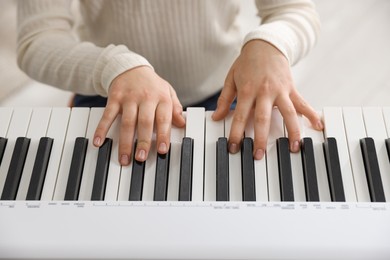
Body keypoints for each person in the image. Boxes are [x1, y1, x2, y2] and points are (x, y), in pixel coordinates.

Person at [17, 0, 323, 166]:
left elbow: (293, 10)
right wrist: (115, 66)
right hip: (110, 90)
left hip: (223, 92)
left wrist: (270, 43)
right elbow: (37, 39)